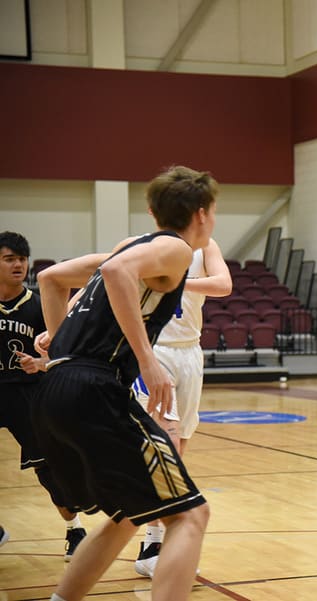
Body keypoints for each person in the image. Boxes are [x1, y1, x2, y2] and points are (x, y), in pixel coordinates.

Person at [32, 165, 215, 601]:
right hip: (95, 388)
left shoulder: (132, 245)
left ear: (153, 211)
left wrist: (59, 349)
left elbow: (50, 278)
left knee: (128, 514)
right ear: (202, 214)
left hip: (56, 388)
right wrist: (148, 360)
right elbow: (116, 273)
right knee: (191, 515)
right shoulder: (175, 248)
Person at [132, 238, 232, 578]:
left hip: (190, 352)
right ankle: (154, 545)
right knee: (168, 446)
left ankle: (155, 541)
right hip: (155, 351)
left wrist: (179, 282)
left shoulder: (206, 247)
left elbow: (224, 284)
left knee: (180, 447)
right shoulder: (151, 245)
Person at [0, 231, 88, 561]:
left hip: (29, 393)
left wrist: (41, 362)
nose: (18, 265)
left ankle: (75, 529)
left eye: (22, 259)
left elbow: (64, 352)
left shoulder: (39, 304)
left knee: (49, 468)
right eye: (9, 259)